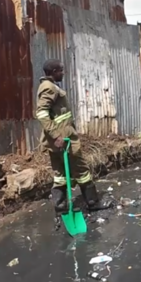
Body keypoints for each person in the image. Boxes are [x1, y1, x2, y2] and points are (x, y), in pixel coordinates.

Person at [36, 59, 111, 215]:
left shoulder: (48, 86)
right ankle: (92, 202)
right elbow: (41, 113)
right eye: (61, 70)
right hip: (64, 139)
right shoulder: (49, 88)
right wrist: (57, 135)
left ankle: (60, 206)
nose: (63, 73)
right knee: (81, 170)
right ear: (53, 72)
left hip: (57, 139)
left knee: (61, 174)